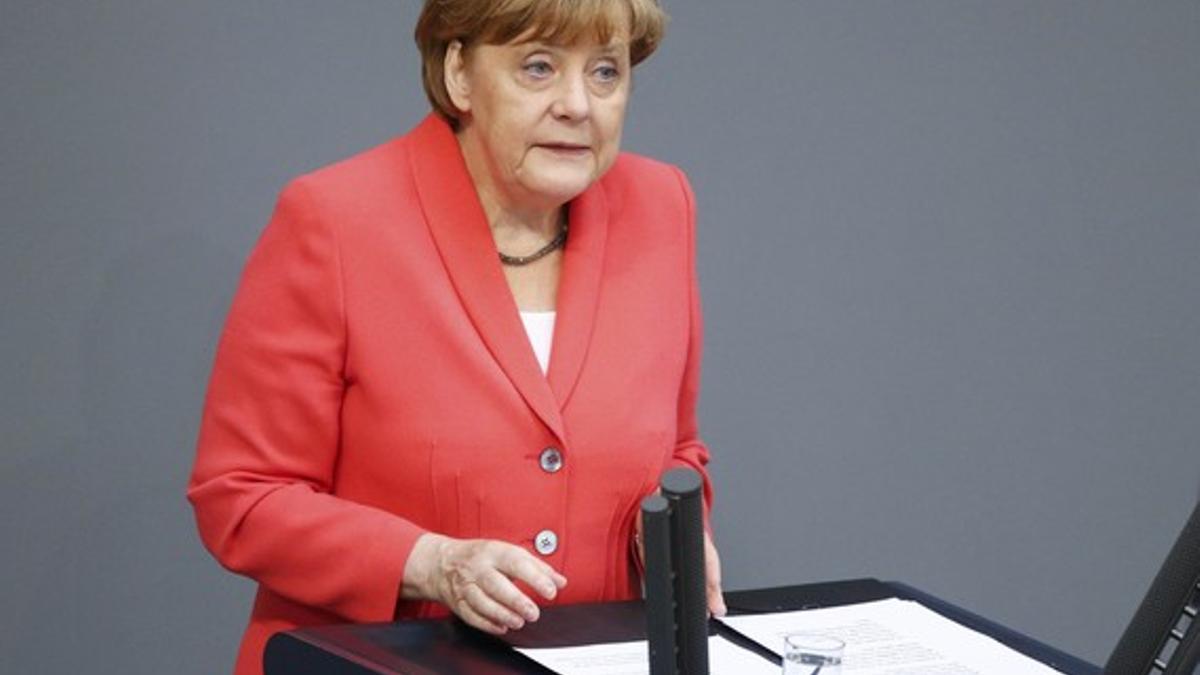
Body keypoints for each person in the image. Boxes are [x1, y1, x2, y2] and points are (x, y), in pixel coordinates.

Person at [187, 1, 723, 672]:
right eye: (538, 68)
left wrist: (679, 534)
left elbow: (677, 448)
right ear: (459, 74)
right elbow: (242, 495)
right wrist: (432, 562)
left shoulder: (662, 206)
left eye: (606, 73)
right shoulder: (335, 221)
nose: (578, 104)